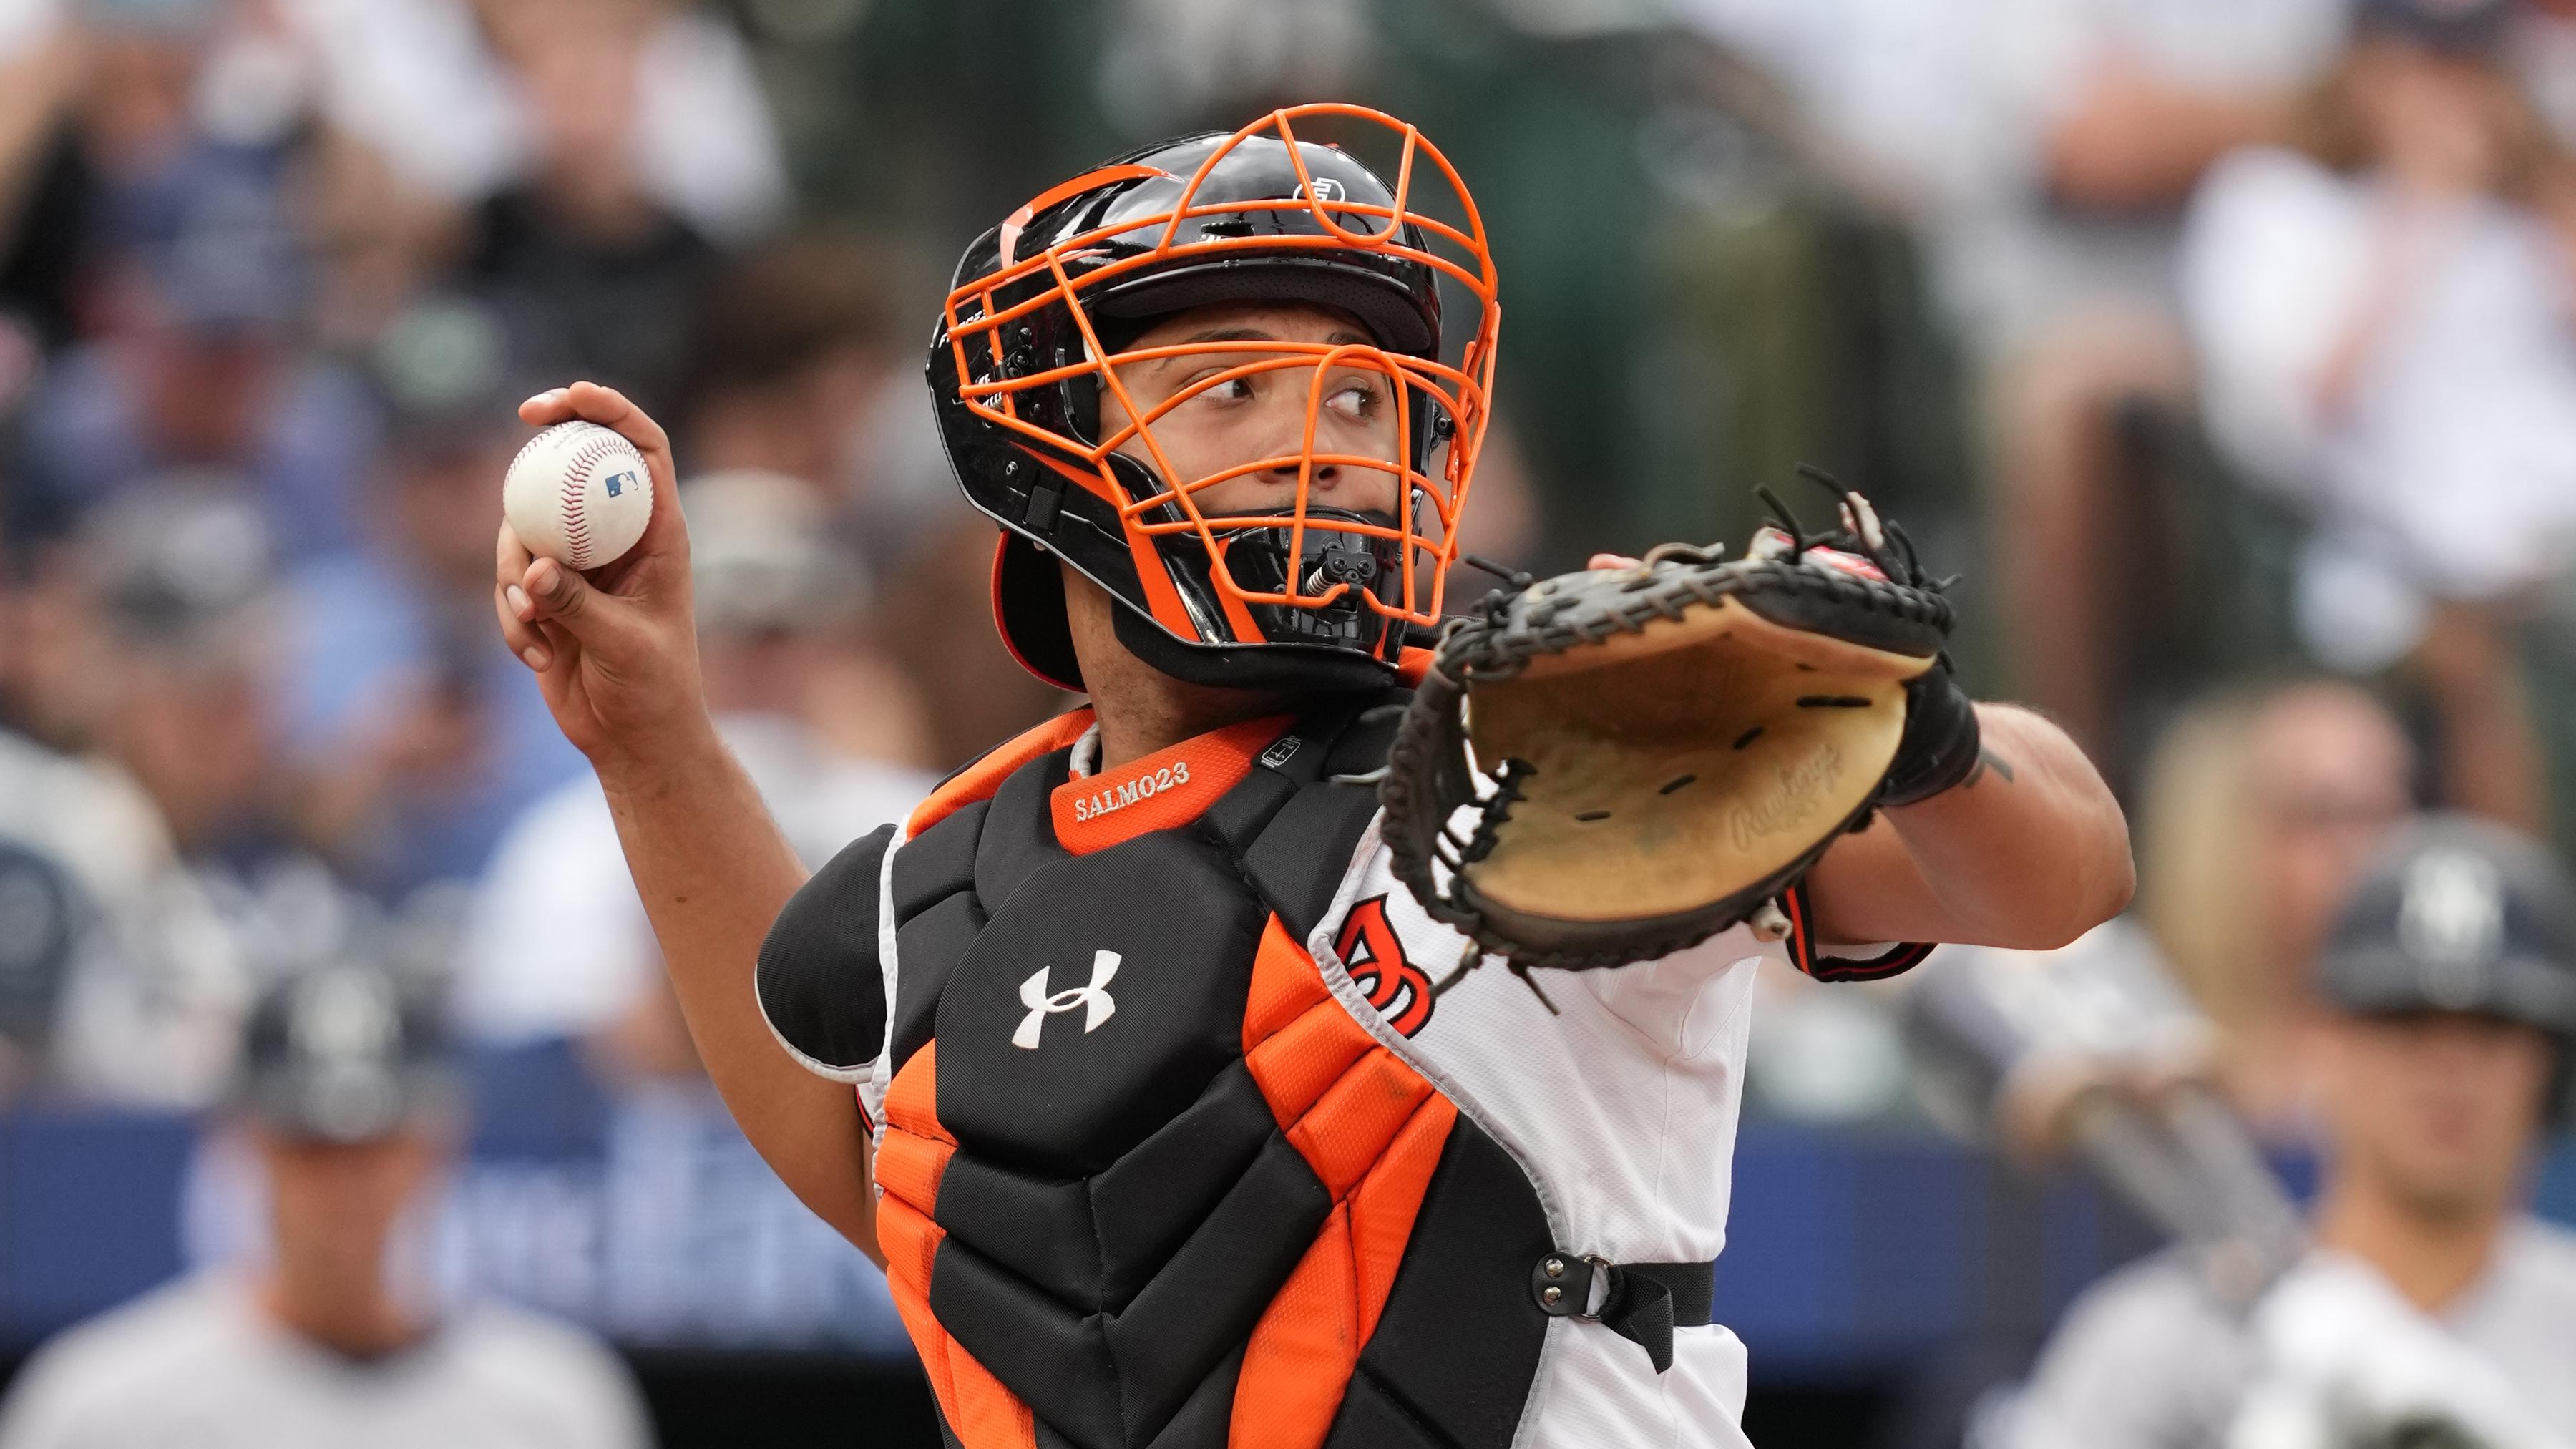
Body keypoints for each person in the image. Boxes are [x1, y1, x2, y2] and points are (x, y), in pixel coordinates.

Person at [492, 107, 2132, 1448]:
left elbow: (2062, 877)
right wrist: (650, 742)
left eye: (1364, 393)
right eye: (1238, 389)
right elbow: (917, 1205)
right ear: (1056, 440)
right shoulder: (944, 873)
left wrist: (1918, 730)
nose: (1332, 440)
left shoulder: (1550, 737)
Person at [1996, 815, 2576, 1448]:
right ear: (2323, 1043)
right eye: (2406, 1021)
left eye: (2491, 1029)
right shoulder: (2160, 1342)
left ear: (2546, 1063)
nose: (2449, 1066)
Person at [0, 957, 653, 1449]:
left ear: (436, 1141)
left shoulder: (557, 1405)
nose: (344, 1183)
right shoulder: (99, 1406)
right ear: (244, 1141)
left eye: (374, 1143)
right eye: (310, 1144)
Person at [452, 468, 933, 1070]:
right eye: (725, 633)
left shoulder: (917, 818)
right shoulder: (566, 845)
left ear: (836, 644)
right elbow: (530, 1090)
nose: (754, 664)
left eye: (778, 633)